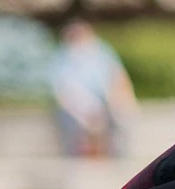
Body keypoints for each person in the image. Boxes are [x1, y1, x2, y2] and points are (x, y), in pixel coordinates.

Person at [49, 19, 136, 158]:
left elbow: (117, 77)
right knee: (77, 124)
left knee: (121, 118)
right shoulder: (63, 58)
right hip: (76, 106)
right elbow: (62, 91)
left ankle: (116, 157)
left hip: (104, 101)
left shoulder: (102, 52)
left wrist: (121, 100)